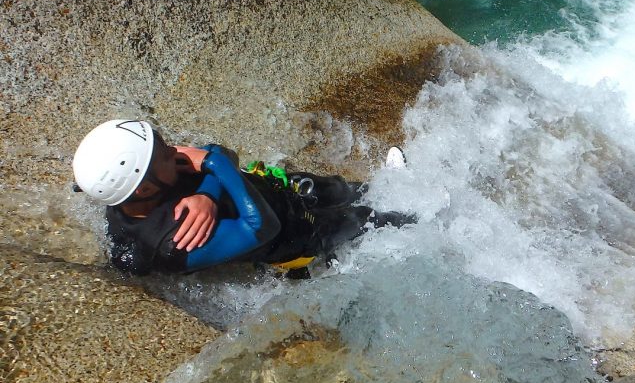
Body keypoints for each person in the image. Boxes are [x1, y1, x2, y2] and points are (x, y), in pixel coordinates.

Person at [72, 119, 413, 278]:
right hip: (294, 237)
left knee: (338, 188)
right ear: (145, 188)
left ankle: (387, 183)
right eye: (162, 151)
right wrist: (212, 165)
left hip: (265, 189)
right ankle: (424, 219)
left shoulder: (140, 187)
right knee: (363, 219)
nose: (174, 149)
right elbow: (263, 226)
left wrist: (207, 193)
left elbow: (221, 151)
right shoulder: (173, 241)